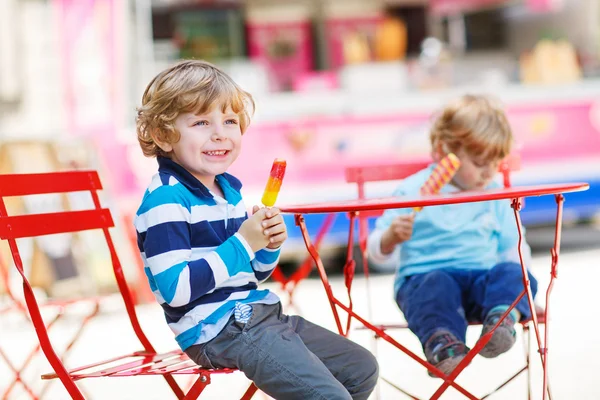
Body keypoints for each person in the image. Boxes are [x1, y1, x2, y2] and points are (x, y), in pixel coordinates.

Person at [134, 60, 378, 399]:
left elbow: (253, 274)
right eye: (201, 122)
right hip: (216, 330)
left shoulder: (227, 192)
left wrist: (266, 244)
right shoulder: (166, 199)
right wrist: (242, 243)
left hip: (259, 316)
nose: (219, 132)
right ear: (163, 135)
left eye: (230, 121)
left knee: (360, 367)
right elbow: (176, 290)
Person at [367, 94, 538, 376]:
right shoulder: (412, 190)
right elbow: (376, 253)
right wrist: (390, 239)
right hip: (428, 281)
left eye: (495, 163)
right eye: (479, 162)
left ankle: (502, 318)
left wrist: (523, 295)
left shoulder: (495, 195)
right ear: (447, 149)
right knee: (435, 285)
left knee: (515, 272)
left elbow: (513, 249)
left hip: (482, 288)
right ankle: (443, 345)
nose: (488, 172)